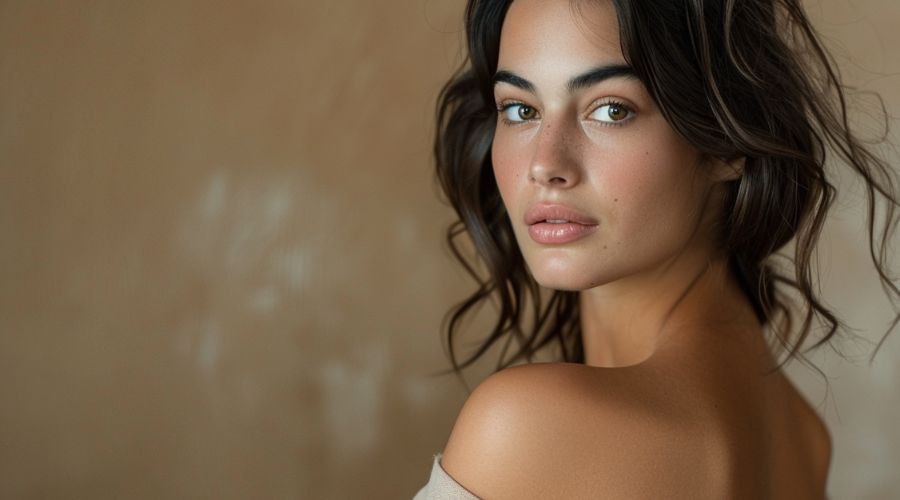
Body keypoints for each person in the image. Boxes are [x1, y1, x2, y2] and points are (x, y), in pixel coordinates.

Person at [413, 0, 899, 498]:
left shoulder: (529, 425)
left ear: (726, 141)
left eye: (610, 110)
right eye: (521, 109)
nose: (545, 164)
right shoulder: (801, 436)